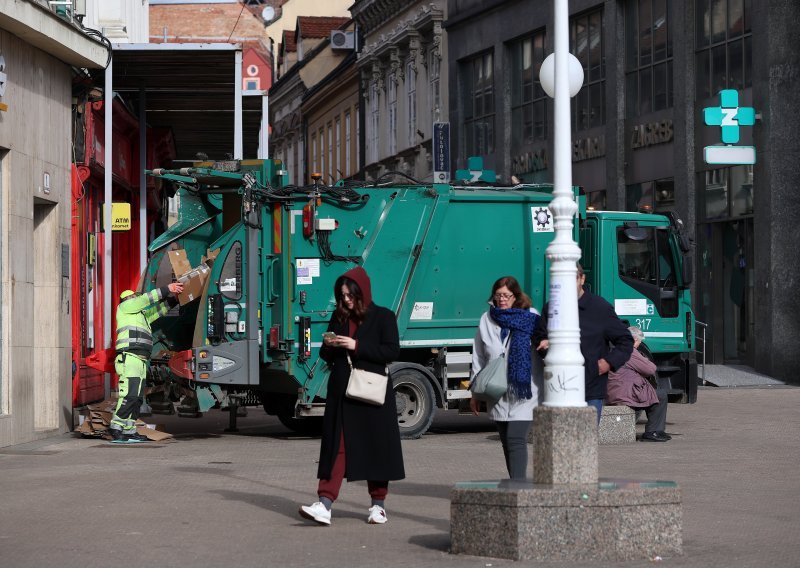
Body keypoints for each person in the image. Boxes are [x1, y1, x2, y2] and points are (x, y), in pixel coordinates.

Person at [299, 266, 404, 526]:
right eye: (343, 295)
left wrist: (355, 345)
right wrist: (330, 344)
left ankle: (378, 506)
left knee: (376, 447)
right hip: (342, 394)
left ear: (362, 292)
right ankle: (324, 503)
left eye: (350, 295)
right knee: (337, 447)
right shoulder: (339, 317)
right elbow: (325, 357)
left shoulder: (384, 316)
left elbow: (391, 351)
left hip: (371, 393)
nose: (346, 300)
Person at [532, 263, 633, 423]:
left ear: (581, 279)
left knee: (586, 442)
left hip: (590, 388)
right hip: (559, 388)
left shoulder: (600, 308)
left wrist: (608, 362)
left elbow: (625, 341)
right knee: (560, 442)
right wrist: (544, 345)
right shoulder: (552, 307)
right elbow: (540, 335)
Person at [469, 276, 542, 480]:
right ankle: (514, 484)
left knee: (516, 438)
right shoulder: (487, 319)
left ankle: (519, 487)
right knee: (506, 441)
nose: (501, 300)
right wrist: (475, 392)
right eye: (498, 295)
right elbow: (479, 355)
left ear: (516, 296)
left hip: (526, 389)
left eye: (506, 295)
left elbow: (544, 347)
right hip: (497, 389)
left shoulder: (531, 316)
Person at [110, 282, 183, 443]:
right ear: (128, 299)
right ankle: (116, 426)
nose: (136, 299)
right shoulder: (125, 307)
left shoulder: (141, 316)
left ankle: (129, 430)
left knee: (136, 397)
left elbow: (158, 311)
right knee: (129, 394)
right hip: (129, 358)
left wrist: (174, 300)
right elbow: (144, 300)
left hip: (140, 360)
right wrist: (167, 289)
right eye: (133, 297)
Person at [607, 326, 671, 442]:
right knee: (660, 395)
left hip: (615, 392)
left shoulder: (615, 349)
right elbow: (650, 369)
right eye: (639, 342)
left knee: (650, 393)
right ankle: (653, 431)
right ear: (634, 340)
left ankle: (656, 430)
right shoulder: (629, 351)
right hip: (625, 393)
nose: (638, 345)